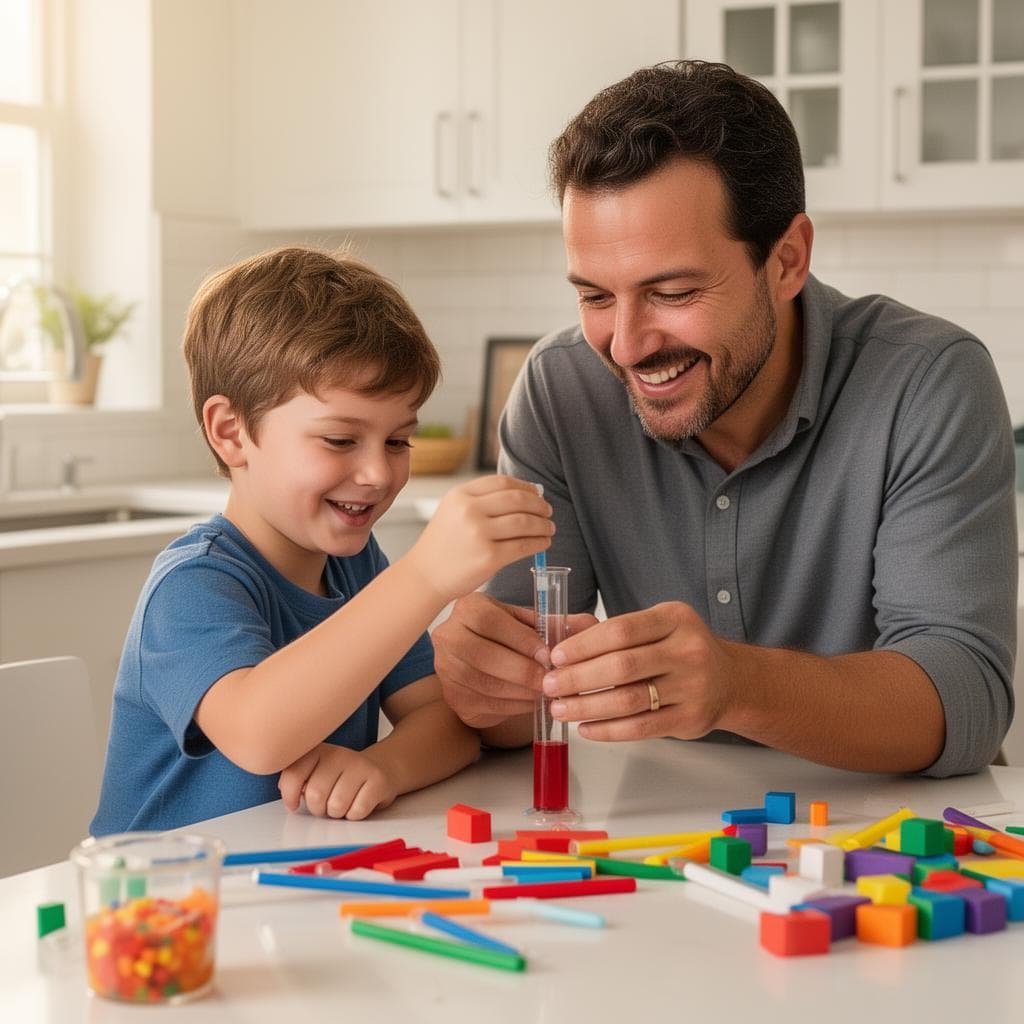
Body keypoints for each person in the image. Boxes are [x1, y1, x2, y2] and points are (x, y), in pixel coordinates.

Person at [433, 60, 1017, 778]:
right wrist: (482, 683)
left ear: (788, 261)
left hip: (896, 836)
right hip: (669, 831)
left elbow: (967, 696)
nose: (625, 344)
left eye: (672, 291)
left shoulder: (927, 380)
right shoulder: (560, 393)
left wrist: (736, 685)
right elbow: (518, 714)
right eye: (594, 296)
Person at [91, 246, 553, 834]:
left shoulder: (356, 569)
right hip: (160, 908)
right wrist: (427, 576)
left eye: (397, 441)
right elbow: (259, 734)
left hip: (285, 883)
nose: (379, 474)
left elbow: (447, 723)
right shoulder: (191, 586)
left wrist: (382, 767)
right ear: (230, 433)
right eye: (340, 440)